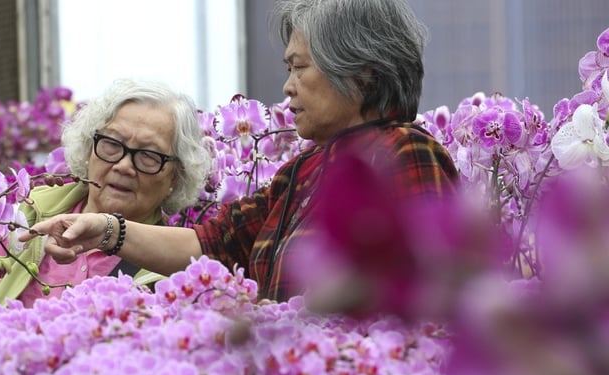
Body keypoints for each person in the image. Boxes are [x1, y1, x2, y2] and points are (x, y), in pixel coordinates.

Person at [25, 0, 459, 303]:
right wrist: (103, 229)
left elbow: (427, 295)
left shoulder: (406, 153)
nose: (288, 86)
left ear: (362, 74)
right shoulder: (303, 173)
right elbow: (210, 245)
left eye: (299, 67)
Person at [0, 78, 212, 307]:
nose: (123, 166)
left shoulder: (176, 271)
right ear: (89, 147)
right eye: (112, 144)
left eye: (149, 156)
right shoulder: (24, 219)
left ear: (175, 176)